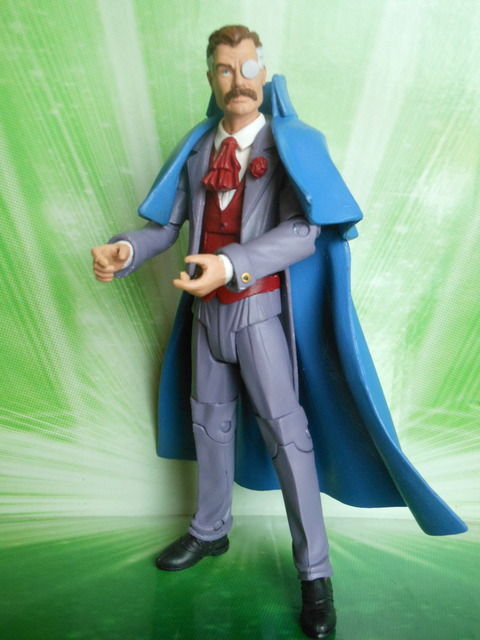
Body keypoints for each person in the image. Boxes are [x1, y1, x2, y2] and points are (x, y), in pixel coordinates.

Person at [92, 25, 466, 640]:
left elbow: (303, 232)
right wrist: (126, 250)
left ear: (263, 74)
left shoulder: (291, 146)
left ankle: (315, 573)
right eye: (224, 69)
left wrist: (231, 263)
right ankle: (210, 529)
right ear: (211, 78)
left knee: (288, 437)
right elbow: (165, 227)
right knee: (209, 424)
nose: (237, 81)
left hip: (258, 313)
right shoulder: (198, 151)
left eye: (247, 68)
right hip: (206, 318)